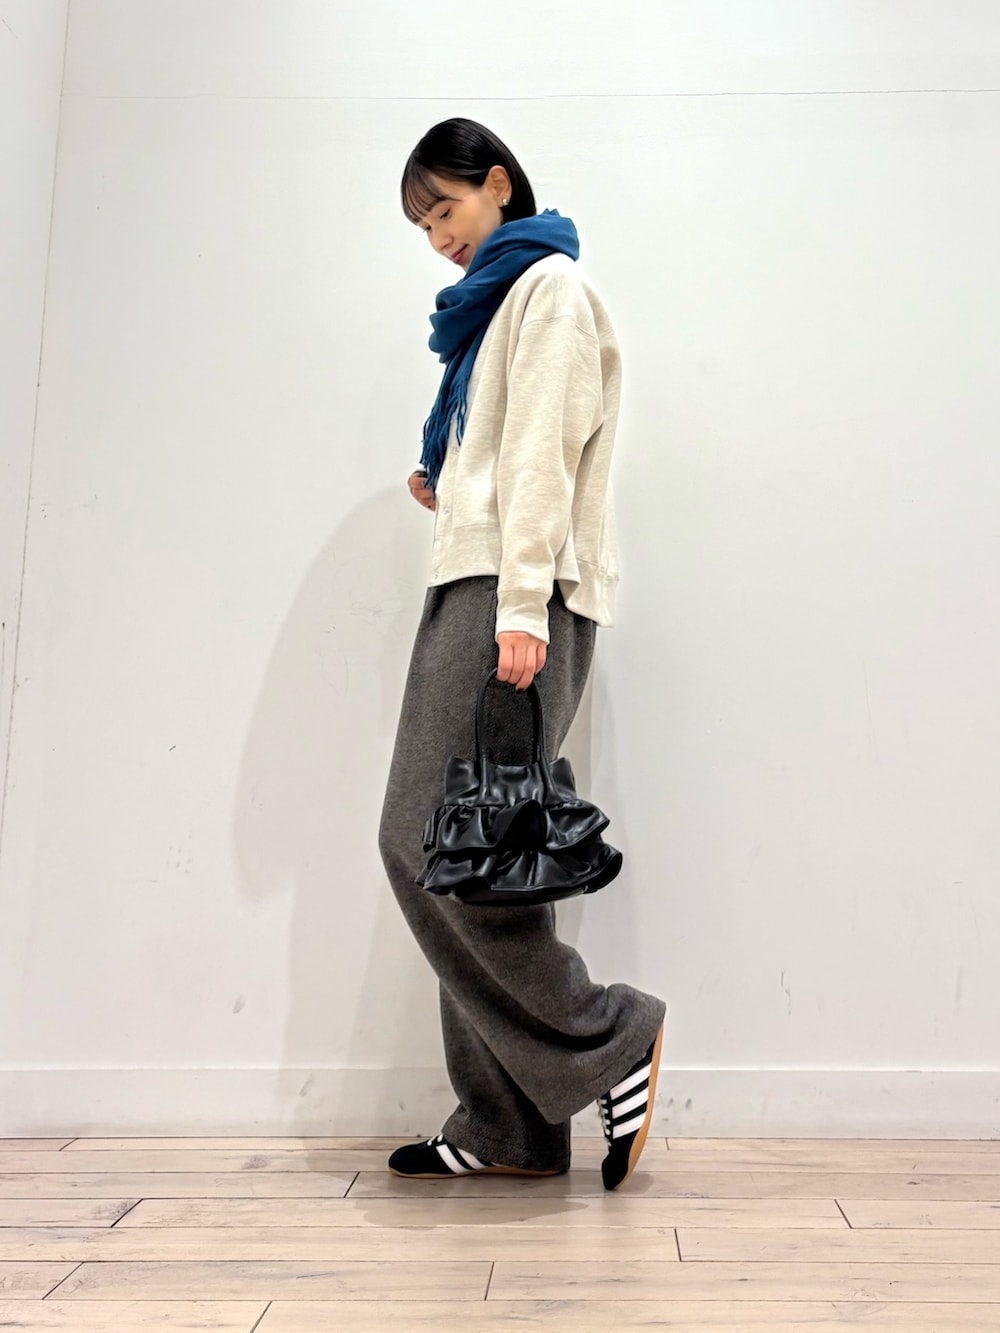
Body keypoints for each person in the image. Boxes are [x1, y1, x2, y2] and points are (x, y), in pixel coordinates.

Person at [378, 118, 666, 1190]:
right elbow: (507, 451)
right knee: (474, 853)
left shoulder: (548, 290)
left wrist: (522, 606)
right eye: (420, 224)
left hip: (512, 592)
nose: (436, 237)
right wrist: (452, 483)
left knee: (424, 839)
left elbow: (545, 454)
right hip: (482, 582)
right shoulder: (495, 309)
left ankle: (609, 1034)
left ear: (498, 184)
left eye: (444, 208)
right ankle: (507, 1126)